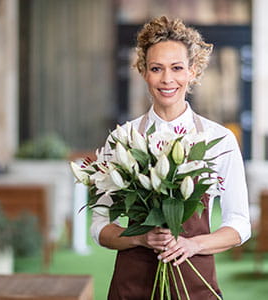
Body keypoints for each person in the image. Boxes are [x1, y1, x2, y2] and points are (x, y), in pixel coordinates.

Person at [90, 15, 251, 299]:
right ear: (143, 71)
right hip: (132, 284)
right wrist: (139, 237)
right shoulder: (122, 138)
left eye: (177, 68)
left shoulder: (219, 140)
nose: (167, 79)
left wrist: (194, 245)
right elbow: (100, 226)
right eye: (156, 68)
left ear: (193, 71)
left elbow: (239, 224)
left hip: (194, 280)